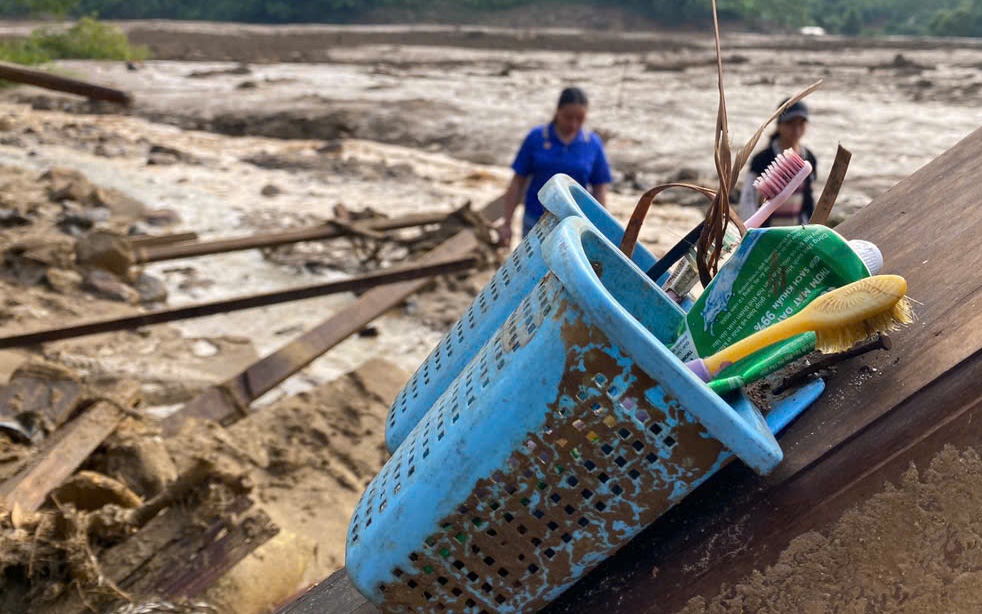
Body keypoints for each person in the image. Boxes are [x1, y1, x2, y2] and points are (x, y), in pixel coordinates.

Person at [498, 87, 612, 247]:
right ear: (557, 112)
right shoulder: (536, 137)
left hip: (574, 225)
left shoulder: (592, 144)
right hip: (535, 220)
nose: (573, 124)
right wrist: (507, 222)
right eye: (568, 117)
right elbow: (517, 182)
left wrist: (599, 226)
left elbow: (599, 188)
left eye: (580, 118)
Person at [738, 98, 818, 226]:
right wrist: (749, 232)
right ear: (779, 125)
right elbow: (748, 198)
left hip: (795, 231)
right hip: (767, 232)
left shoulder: (809, 157)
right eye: (791, 123)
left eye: (801, 123)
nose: (796, 129)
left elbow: (809, 199)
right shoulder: (762, 159)